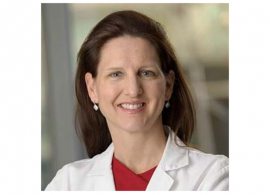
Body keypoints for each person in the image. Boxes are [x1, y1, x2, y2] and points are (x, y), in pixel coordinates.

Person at [45, 10, 229, 191]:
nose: (133, 90)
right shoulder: (68, 183)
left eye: (146, 73)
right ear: (92, 88)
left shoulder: (213, 176)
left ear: (168, 85)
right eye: (116, 74)